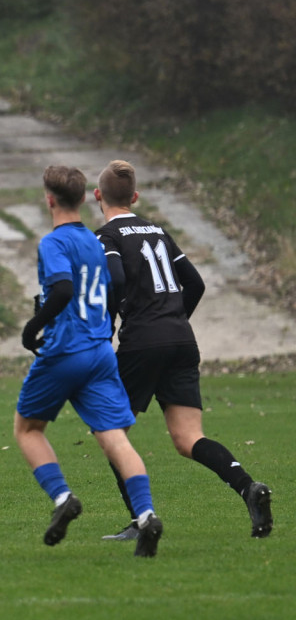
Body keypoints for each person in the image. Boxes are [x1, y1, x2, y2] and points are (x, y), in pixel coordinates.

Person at [94, 159, 273, 540]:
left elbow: (114, 278)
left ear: (98, 196)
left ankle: (141, 521)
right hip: (180, 338)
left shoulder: (106, 237)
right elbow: (195, 283)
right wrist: (174, 321)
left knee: (111, 431)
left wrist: (109, 328)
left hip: (142, 341)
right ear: (135, 196)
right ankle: (248, 487)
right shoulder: (158, 231)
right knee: (188, 438)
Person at [16, 165, 163, 557]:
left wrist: (34, 327)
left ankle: (63, 497)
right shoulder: (95, 241)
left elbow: (63, 289)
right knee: (114, 436)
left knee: (28, 429)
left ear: (49, 199)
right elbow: (110, 284)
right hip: (100, 351)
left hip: (66, 350)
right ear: (84, 199)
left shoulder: (54, 242)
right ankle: (146, 516)